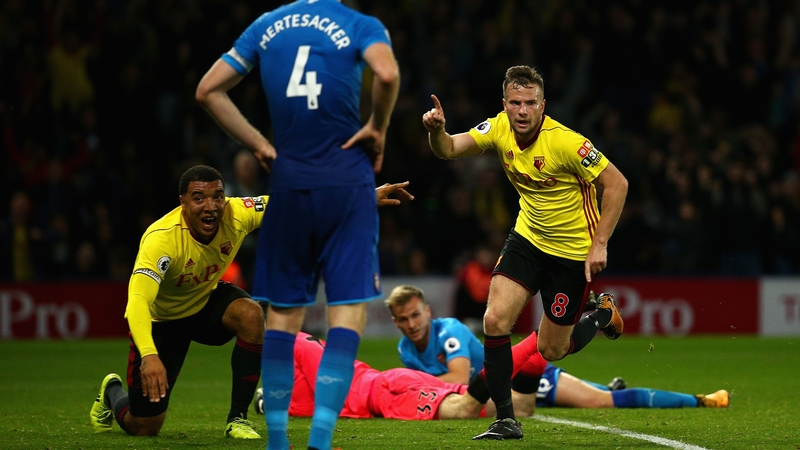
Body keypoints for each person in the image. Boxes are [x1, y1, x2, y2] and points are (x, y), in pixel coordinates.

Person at [195, 1, 400, 449]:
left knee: (284, 317)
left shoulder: (265, 26)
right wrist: (378, 127)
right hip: (347, 184)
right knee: (345, 311)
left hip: (288, 185)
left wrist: (261, 147)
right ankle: (321, 441)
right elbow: (386, 75)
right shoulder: (360, 24)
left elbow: (208, 90)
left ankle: (277, 442)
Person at [88, 165, 412, 440]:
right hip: (163, 322)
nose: (211, 206)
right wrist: (149, 355)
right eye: (199, 198)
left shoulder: (239, 211)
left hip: (204, 304)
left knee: (252, 314)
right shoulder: (161, 240)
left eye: (217, 196)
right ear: (183, 202)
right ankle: (112, 390)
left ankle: (237, 419)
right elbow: (137, 304)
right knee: (144, 426)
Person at [422, 65, 629, 440]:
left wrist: (599, 244)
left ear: (542, 105)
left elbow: (617, 183)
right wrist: (437, 131)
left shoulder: (566, 142)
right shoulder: (498, 127)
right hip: (527, 240)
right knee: (495, 320)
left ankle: (600, 315)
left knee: (553, 349)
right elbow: (449, 149)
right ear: (505, 104)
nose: (521, 111)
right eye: (515, 103)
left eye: (530, 103)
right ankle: (505, 418)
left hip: (572, 253)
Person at [385, 285, 730, 411]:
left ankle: (700, 400)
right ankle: (609, 378)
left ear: (427, 311)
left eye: (416, 315)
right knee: (587, 396)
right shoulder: (405, 349)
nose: (412, 323)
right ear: (397, 323)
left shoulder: (450, 332)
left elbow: (458, 377)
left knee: (599, 403)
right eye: (404, 319)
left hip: (521, 371)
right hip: (494, 393)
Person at [254, 331, 545, 421]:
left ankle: (538, 339)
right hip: (393, 385)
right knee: (521, 407)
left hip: (383, 393)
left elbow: (333, 384)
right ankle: (539, 356)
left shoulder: (297, 344)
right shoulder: (289, 386)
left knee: (464, 409)